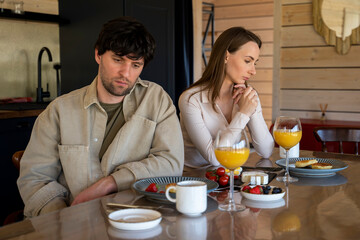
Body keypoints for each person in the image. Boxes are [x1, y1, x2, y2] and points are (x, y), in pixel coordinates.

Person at [17, 16, 184, 217]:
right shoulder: (59, 111)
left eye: (136, 65)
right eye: (117, 60)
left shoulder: (156, 99)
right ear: (98, 54)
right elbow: (35, 179)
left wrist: (110, 183)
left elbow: (171, 163)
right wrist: (64, 221)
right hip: (71, 223)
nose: (126, 73)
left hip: (138, 220)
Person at [178, 26, 274, 169]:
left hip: (231, 178)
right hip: (196, 182)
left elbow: (266, 151)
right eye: (248, 61)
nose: (253, 71)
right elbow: (215, 158)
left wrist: (251, 109)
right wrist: (243, 114)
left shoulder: (247, 96)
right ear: (226, 56)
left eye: (255, 63)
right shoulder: (191, 99)